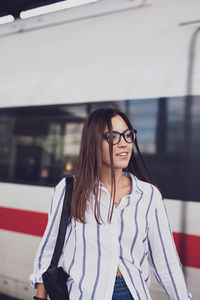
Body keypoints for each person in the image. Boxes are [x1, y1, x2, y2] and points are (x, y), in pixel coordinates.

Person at [30, 108, 192, 300]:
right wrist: (40, 296)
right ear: (93, 143)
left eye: (127, 135)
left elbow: (166, 261)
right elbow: (48, 251)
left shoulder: (148, 196)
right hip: (85, 295)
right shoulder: (70, 190)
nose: (124, 144)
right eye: (113, 136)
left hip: (132, 293)